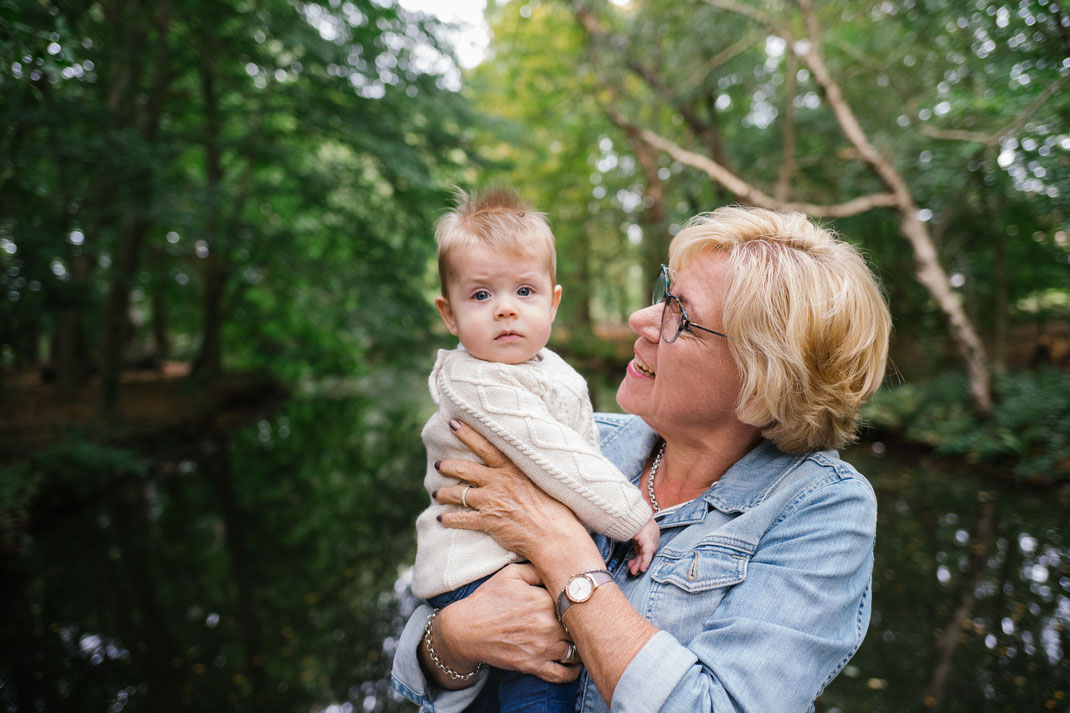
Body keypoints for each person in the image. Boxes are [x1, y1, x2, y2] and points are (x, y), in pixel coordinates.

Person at [392, 205, 892, 713]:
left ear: (763, 381)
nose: (641, 319)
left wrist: (561, 549)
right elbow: (433, 641)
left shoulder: (823, 510)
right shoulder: (578, 443)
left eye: (683, 317)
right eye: (663, 293)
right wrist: (453, 640)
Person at [409, 187, 659, 713]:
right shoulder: (476, 382)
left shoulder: (548, 368)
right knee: (544, 679)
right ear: (448, 314)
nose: (504, 309)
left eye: (525, 291)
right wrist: (631, 514)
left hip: (517, 562)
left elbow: (577, 446)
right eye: (480, 296)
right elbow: (557, 457)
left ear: (554, 300)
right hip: (481, 571)